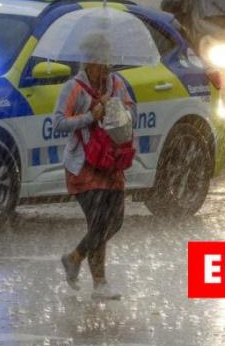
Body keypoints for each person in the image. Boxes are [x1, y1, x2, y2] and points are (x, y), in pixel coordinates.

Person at [53, 34, 137, 300]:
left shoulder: (117, 84)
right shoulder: (74, 88)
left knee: (115, 221)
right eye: (100, 60)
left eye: (108, 60)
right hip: (84, 165)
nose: (105, 66)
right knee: (98, 221)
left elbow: (130, 113)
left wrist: (112, 107)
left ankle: (75, 256)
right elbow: (58, 122)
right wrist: (90, 116)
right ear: (88, 60)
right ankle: (100, 284)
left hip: (111, 162)